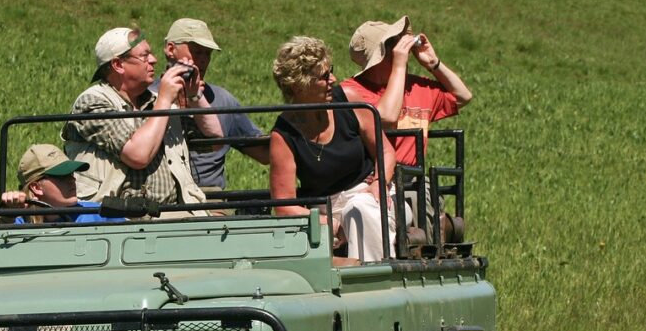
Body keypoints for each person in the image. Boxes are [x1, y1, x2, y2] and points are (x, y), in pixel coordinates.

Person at [269, 36, 406, 263]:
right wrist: (331, 222)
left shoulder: (348, 101)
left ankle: (373, 277)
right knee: (355, 212)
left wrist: (379, 184)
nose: (333, 79)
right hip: (325, 209)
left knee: (360, 208)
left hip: (370, 195)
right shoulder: (284, 135)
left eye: (330, 70)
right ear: (299, 85)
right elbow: (285, 207)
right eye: (323, 76)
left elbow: (386, 151)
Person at [340, 16, 472, 238]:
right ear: (382, 54)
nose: (403, 47)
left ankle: (428, 248)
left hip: (412, 179)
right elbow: (387, 117)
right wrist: (399, 65)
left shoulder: (417, 87)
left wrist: (434, 64)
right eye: (394, 43)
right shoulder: (352, 91)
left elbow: (463, 96)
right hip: (372, 180)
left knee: (424, 195)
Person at [61, 27, 222, 208]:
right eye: (145, 56)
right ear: (118, 65)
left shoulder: (154, 102)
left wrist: (194, 96)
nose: (154, 60)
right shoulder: (91, 103)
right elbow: (138, 155)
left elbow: (215, 141)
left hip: (169, 212)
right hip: (115, 215)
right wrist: (165, 99)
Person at [154, 18, 269, 189]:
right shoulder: (147, 96)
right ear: (171, 49)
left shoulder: (222, 99)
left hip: (209, 198)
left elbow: (264, 154)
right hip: (161, 196)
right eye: (197, 52)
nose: (203, 60)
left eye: (207, 53)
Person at [0, 143, 123, 223]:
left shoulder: (98, 215)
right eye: (62, 176)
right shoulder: (18, 221)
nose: (72, 180)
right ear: (36, 187)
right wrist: (8, 214)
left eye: (71, 174)